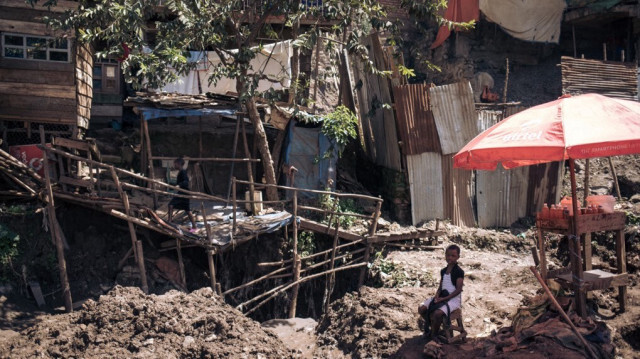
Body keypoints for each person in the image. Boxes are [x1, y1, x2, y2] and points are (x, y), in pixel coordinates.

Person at [418, 244, 464, 340]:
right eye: (448, 255)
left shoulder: (459, 272)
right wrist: (437, 296)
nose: (449, 257)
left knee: (437, 314)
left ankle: (434, 335)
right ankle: (434, 328)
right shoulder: (443, 271)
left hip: (453, 300)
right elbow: (441, 286)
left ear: (458, 257)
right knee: (421, 308)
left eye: (453, 256)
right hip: (442, 297)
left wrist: (443, 299)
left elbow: (458, 290)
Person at [167, 157, 197, 231]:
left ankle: (169, 222)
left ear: (179, 164)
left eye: (175, 164)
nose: (174, 165)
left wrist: (179, 185)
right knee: (187, 210)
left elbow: (186, 181)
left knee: (171, 205)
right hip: (183, 193)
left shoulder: (183, 172)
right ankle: (194, 226)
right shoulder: (181, 172)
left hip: (183, 193)